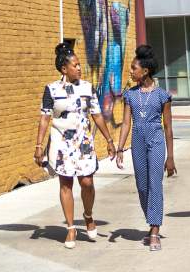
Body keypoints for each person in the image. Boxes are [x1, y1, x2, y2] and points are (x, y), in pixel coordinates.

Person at [35, 43, 116, 248]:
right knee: (66, 184)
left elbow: (97, 115)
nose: (79, 68)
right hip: (61, 142)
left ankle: (88, 216)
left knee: (87, 182)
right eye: (75, 65)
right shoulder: (51, 89)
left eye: (80, 65)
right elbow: (44, 119)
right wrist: (38, 145)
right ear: (64, 69)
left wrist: (108, 139)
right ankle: (71, 228)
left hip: (83, 142)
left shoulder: (88, 88)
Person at [116, 44, 176, 252]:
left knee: (154, 184)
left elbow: (168, 128)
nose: (131, 72)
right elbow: (125, 123)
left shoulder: (162, 96)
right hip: (138, 141)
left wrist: (171, 158)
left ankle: (154, 230)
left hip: (156, 139)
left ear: (145, 70)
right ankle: (151, 218)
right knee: (142, 186)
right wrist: (119, 148)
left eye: (134, 68)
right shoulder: (130, 95)